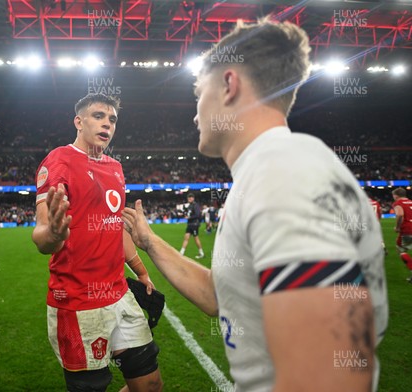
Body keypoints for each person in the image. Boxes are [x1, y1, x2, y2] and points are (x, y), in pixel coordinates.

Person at [122, 17, 388, 391]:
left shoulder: (282, 174)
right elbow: (221, 295)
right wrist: (150, 242)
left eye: (199, 92)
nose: (195, 112)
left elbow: (332, 374)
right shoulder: (268, 172)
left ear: (229, 85)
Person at [32, 93, 163, 392]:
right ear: (78, 121)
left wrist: (140, 271)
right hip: (78, 303)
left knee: (151, 385)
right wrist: (54, 233)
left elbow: (115, 228)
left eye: (112, 119)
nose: (107, 124)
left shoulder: (115, 168)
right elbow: (42, 236)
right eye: (98, 116)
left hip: (120, 295)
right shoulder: (59, 160)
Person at [391, 187, 412, 282]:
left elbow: (400, 214)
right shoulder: (411, 202)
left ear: (396, 195)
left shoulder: (398, 203)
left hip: (407, 229)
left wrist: (397, 227)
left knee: (401, 250)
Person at [179, 193, 205, 258]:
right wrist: (183, 213)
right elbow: (188, 214)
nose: (189, 199)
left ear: (193, 198)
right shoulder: (190, 206)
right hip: (190, 224)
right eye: (188, 198)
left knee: (196, 239)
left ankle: (201, 253)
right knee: (186, 238)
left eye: (191, 197)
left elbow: (197, 214)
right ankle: (181, 253)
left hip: (194, 224)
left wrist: (189, 217)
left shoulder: (195, 205)